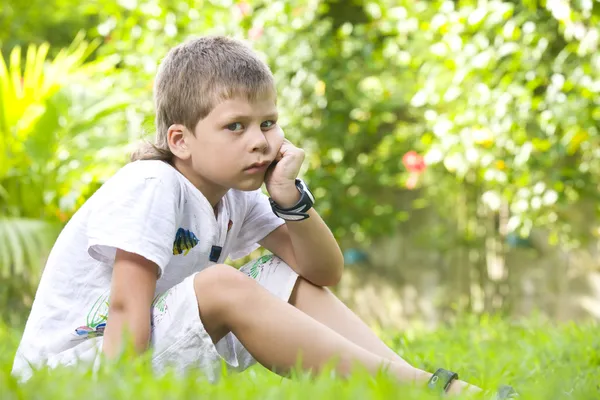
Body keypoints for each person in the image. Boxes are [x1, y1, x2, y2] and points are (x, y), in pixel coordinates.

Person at [12, 35, 514, 398]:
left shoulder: (241, 189)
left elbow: (321, 273)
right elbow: (125, 307)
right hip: (78, 376)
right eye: (236, 126)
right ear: (180, 141)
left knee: (277, 271)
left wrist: (289, 196)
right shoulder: (153, 185)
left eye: (268, 123)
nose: (260, 140)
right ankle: (423, 392)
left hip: (138, 353)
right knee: (220, 285)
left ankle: (410, 385)